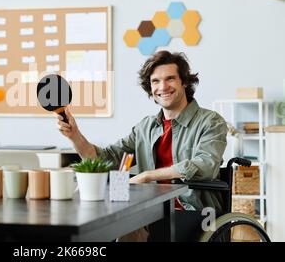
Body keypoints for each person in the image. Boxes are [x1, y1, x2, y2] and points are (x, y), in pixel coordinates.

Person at [57, 50, 228, 240]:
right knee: (106, 226)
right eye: (155, 81)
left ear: (184, 82)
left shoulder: (211, 121)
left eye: (170, 79)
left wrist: (146, 176)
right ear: (150, 87)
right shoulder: (145, 127)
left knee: (128, 225)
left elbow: (206, 165)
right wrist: (75, 136)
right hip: (150, 210)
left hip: (193, 210)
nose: (163, 86)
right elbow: (107, 159)